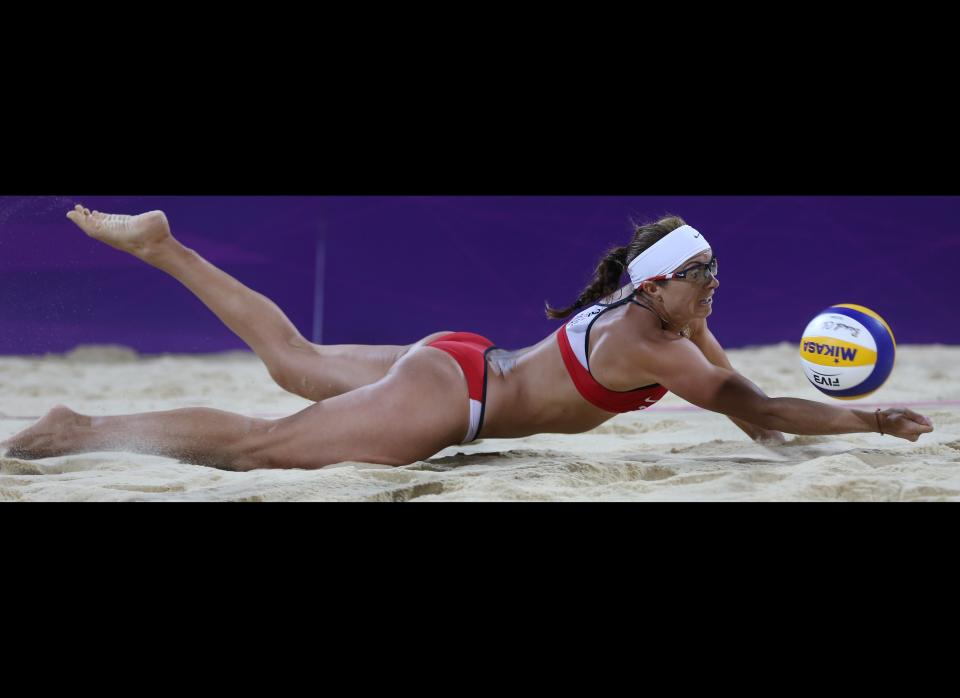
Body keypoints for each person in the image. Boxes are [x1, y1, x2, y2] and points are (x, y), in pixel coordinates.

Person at [0, 206, 934, 471]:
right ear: (660, 284)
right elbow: (757, 406)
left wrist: (723, 348)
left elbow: (746, 413)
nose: (717, 289)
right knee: (260, 447)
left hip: (460, 362)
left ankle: (164, 247)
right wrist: (869, 419)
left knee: (295, 363)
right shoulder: (652, 341)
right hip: (456, 399)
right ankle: (80, 430)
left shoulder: (644, 319)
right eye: (705, 278)